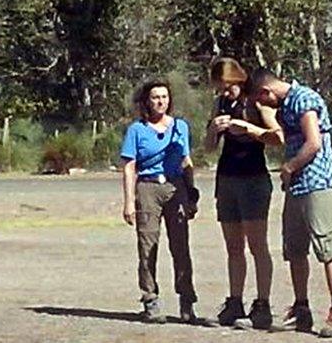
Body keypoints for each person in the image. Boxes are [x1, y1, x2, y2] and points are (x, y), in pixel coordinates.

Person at [244, 68, 332, 338]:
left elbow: (313, 142)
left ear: (266, 92)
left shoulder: (303, 99)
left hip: (316, 183)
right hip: (297, 187)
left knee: (327, 246)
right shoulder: (285, 105)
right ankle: (301, 308)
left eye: (262, 100)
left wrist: (290, 166)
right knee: (294, 248)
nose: (265, 105)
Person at [204, 58, 284, 329]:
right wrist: (214, 130)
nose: (225, 93)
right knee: (233, 246)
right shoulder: (220, 105)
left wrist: (250, 129)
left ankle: (262, 304)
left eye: (228, 87)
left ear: (239, 80)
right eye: (221, 88)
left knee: (257, 245)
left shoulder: (257, 102)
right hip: (227, 178)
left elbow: (278, 137)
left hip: (254, 179)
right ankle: (234, 300)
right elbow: (208, 148)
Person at [120, 79, 200, 324]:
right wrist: (129, 202)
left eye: (164, 97)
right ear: (147, 101)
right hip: (148, 186)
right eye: (155, 97)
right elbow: (129, 166)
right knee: (147, 245)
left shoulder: (180, 127)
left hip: (175, 186)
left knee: (180, 246)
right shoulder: (137, 130)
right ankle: (150, 298)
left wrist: (191, 194)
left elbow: (186, 161)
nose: (160, 101)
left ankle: (186, 300)